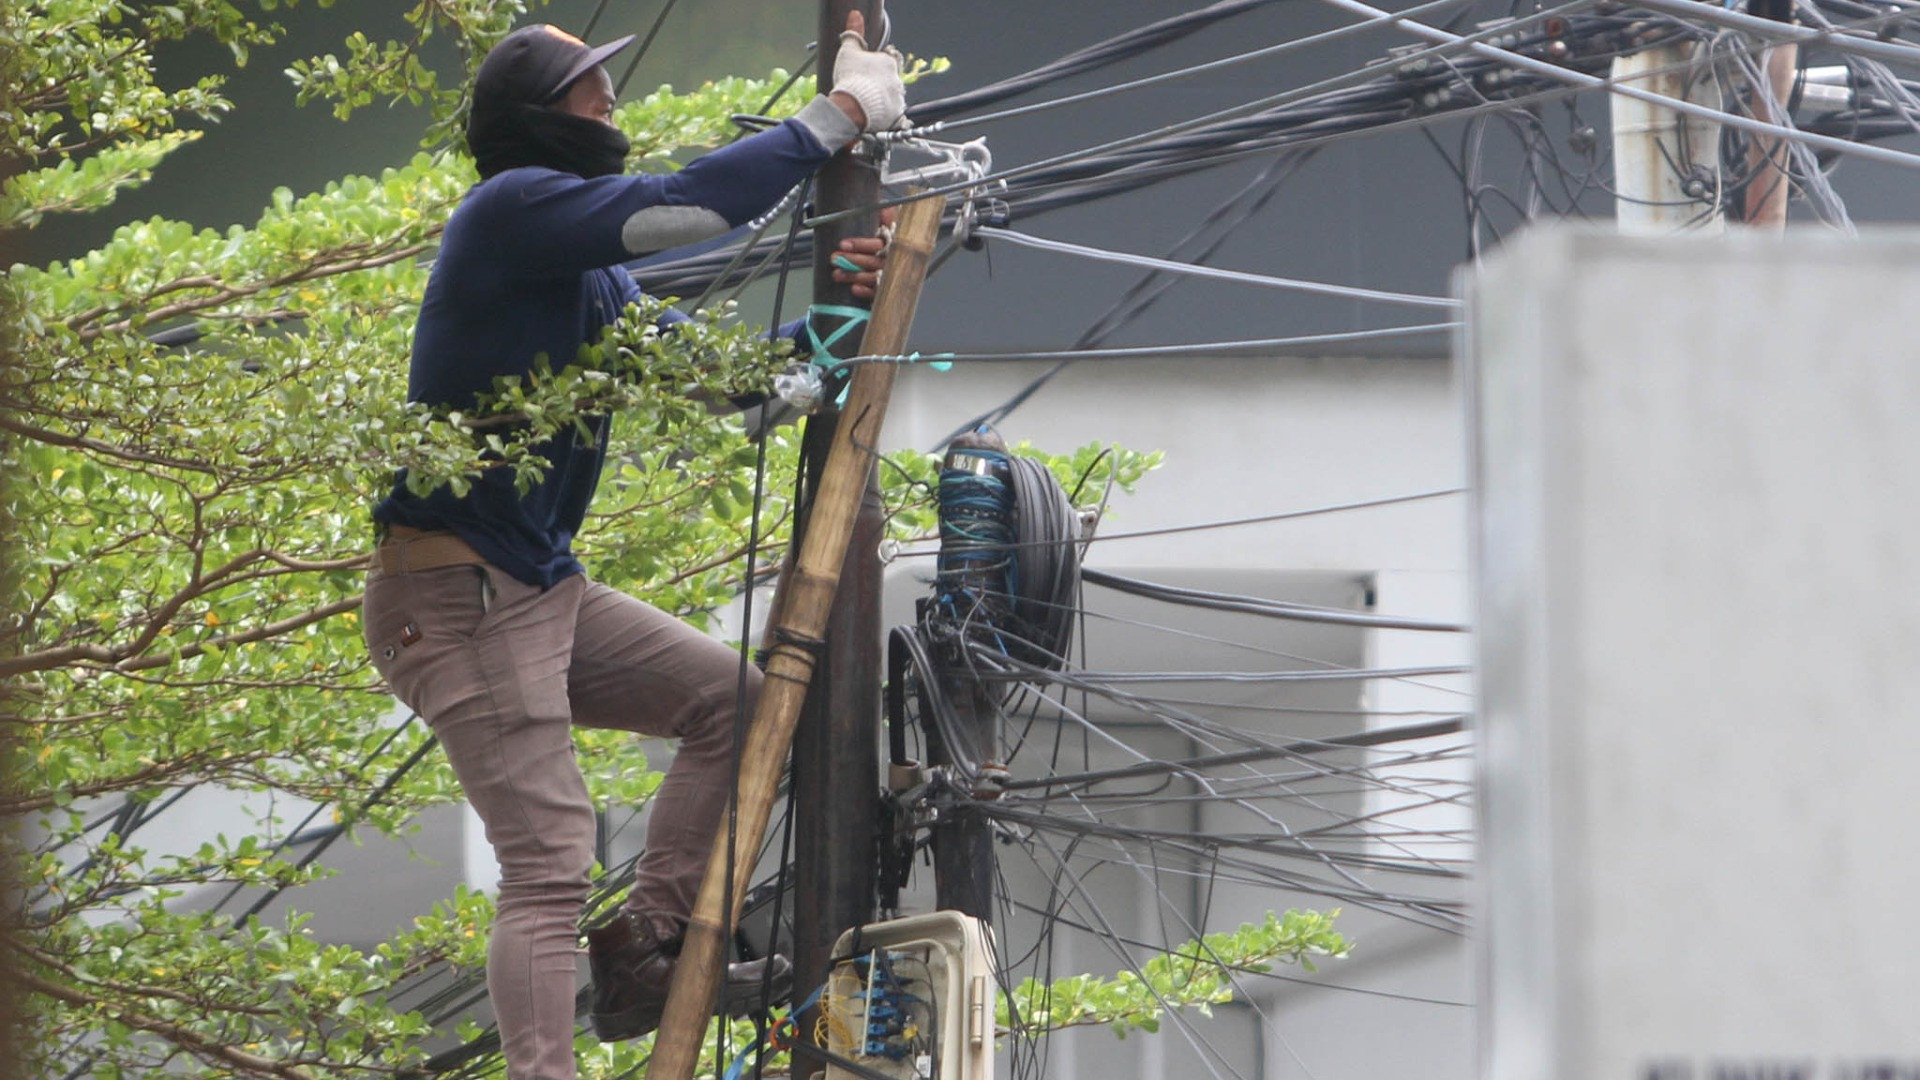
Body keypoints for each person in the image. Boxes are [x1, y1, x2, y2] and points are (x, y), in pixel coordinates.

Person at [360, 15, 905, 1079]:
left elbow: (718, 377)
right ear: (536, 121)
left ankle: (645, 952)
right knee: (549, 863)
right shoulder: (511, 210)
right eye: (587, 90)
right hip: (461, 590)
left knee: (736, 706)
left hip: (527, 587)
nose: (609, 103)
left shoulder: (583, 278)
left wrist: (838, 307)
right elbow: (690, 209)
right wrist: (839, 114)